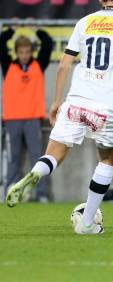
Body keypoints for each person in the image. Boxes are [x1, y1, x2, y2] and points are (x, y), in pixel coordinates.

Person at [6, 0, 113, 235]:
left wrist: (55, 101)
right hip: (107, 104)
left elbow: (64, 64)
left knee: (55, 152)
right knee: (107, 159)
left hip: (77, 98)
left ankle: (35, 173)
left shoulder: (84, 22)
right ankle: (87, 222)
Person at [1, 24, 53, 202]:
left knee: (37, 159)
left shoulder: (39, 64)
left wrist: (36, 29)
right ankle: (10, 193)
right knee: (13, 158)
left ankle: (42, 194)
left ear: (31, 52)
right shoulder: (8, 66)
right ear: (16, 52)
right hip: (12, 119)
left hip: (32, 118)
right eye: (21, 52)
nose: (24, 55)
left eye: (27, 51)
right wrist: (12, 30)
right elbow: (1, 43)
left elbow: (48, 43)